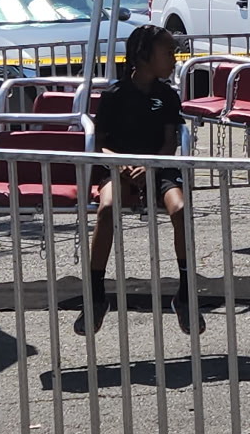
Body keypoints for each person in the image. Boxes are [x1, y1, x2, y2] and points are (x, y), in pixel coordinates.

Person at [77, 23, 203, 337]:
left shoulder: (167, 96)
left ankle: (186, 293)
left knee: (181, 209)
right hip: (117, 168)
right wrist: (121, 165)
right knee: (106, 208)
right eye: (168, 51)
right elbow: (99, 142)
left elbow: (169, 140)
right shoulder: (115, 95)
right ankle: (95, 294)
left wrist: (150, 166)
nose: (174, 57)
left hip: (158, 167)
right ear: (143, 55)